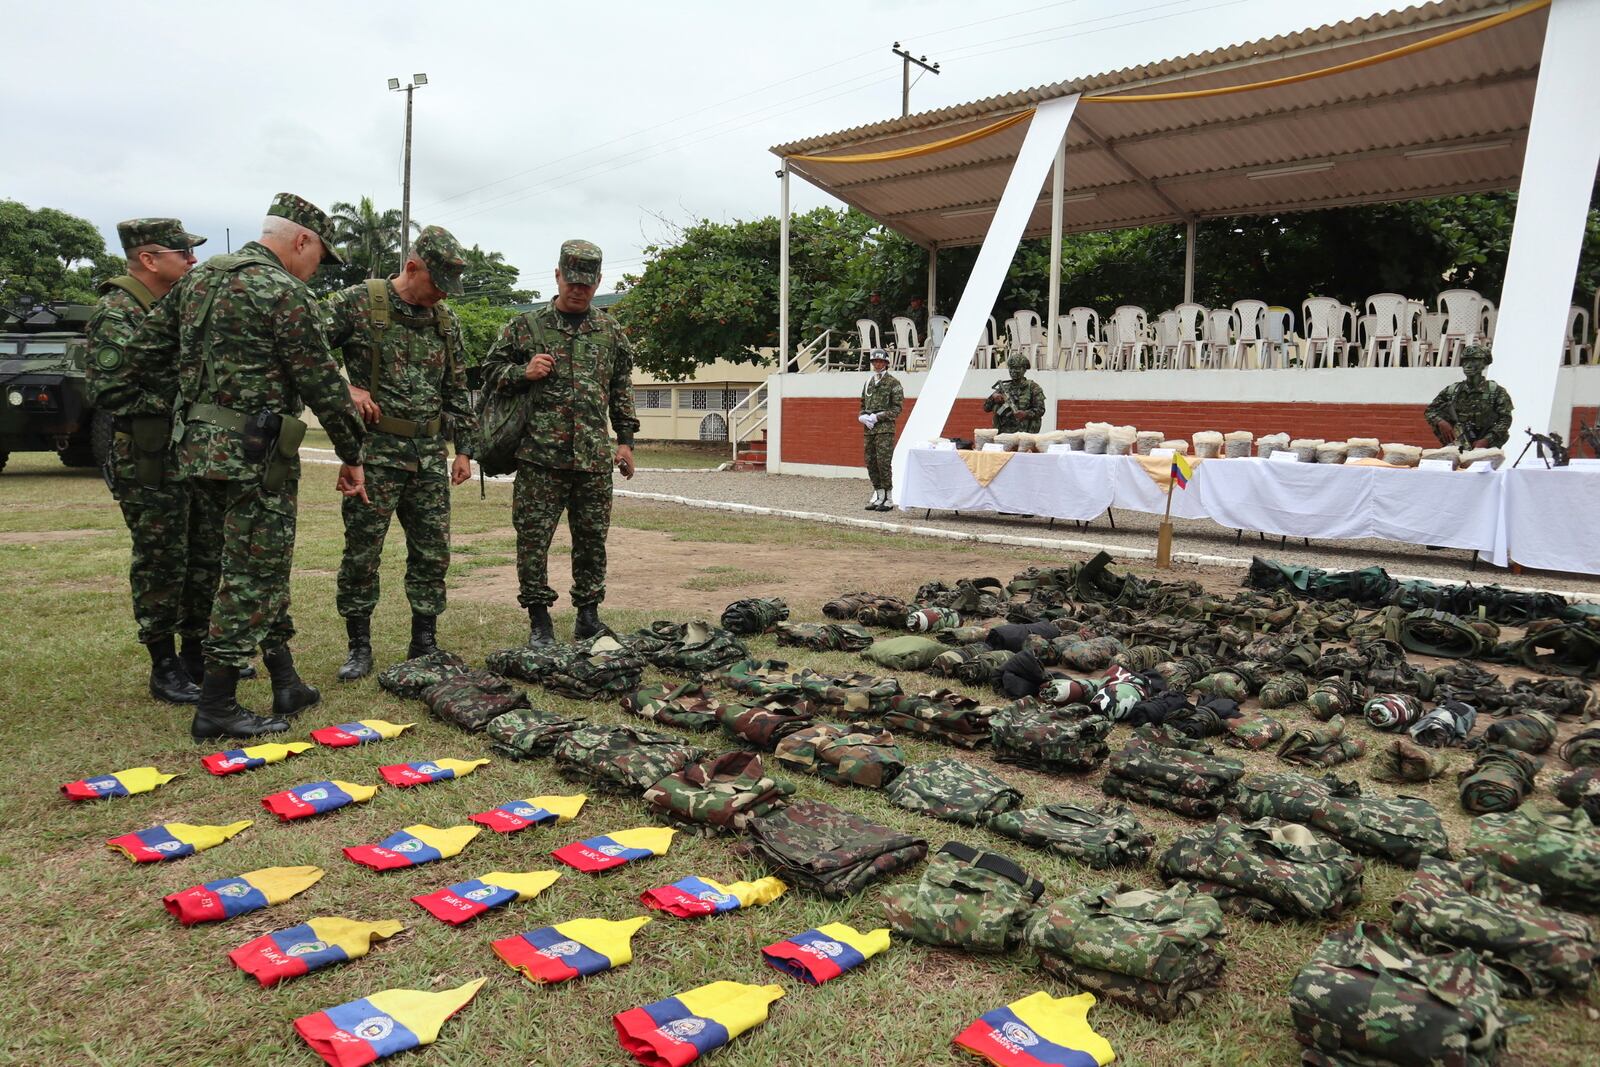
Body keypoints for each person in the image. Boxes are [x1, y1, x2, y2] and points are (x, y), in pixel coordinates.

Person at [120, 193, 368, 740]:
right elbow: (326, 388)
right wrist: (352, 455)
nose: (316, 269)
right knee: (253, 575)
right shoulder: (283, 292)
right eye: (319, 256)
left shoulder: (197, 280)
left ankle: (286, 679)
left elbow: (138, 358)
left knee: (243, 568)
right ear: (301, 240)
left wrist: (195, 405)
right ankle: (217, 705)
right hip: (257, 455)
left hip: (195, 453)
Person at [323, 225, 476, 680]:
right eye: (437, 285)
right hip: (374, 455)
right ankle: (359, 645)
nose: (442, 296)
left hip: (429, 456)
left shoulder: (446, 322)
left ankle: (424, 640)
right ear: (412, 268)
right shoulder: (357, 303)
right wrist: (343, 385)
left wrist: (463, 450)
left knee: (432, 553)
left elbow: (457, 390)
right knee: (362, 552)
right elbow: (300, 347)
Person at [86, 218, 222, 704]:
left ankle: (195, 653)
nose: (192, 261)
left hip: (189, 451)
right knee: (162, 558)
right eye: (183, 253)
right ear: (149, 258)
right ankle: (163, 665)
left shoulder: (177, 306)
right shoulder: (117, 311)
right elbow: (109, 388)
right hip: (148, 454)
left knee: (205, 552)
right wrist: (184, 397)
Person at [480, 239, 639, 647]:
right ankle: (539, 620)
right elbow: (488, 371)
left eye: (587, 284)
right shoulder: (525, 327)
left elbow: (620, 389)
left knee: (591, 542)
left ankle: (588, 616)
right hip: (539, 458)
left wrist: (624, 441)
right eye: (572, 281)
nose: (578, 289)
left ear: (598, 281)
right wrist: (523, 372)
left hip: (592, 459)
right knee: (533, 541)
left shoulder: (610, 332)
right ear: (558, 275)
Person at [1424, 343, 1512, 449]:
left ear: (1484, 364)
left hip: (1486, 448)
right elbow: (1430, 411)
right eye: (1465, 361)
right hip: (1457, 444)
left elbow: (1505, 420)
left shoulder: (1496, 391)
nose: (1468, 365)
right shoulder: (1452, 390)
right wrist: (1441, 422)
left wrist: (1487, 440)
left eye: (1474, 361)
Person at [858, 349, 903, 511]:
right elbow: (863, 403)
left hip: (884, 429)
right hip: (869, 429)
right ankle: (879, 495)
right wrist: (862, 416)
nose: (877, 364)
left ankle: (889, 498)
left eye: (880, 361)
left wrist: (878, 416)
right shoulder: (869, 381)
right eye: (874, 362)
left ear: (885, 363)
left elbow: (897, 409)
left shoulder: (893, 383)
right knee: (870, 462)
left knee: (883, 463)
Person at [985, 354, 1046, 434]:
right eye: (1011, 368)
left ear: (1024, 369)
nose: (1013, 371)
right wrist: (993, 398)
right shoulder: (1004, 388)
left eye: (1016, 368)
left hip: (1024, 434)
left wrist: (1025, 414)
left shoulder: (1032, 387)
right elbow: (986, 408)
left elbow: (1041, 410)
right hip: (1004, 434)